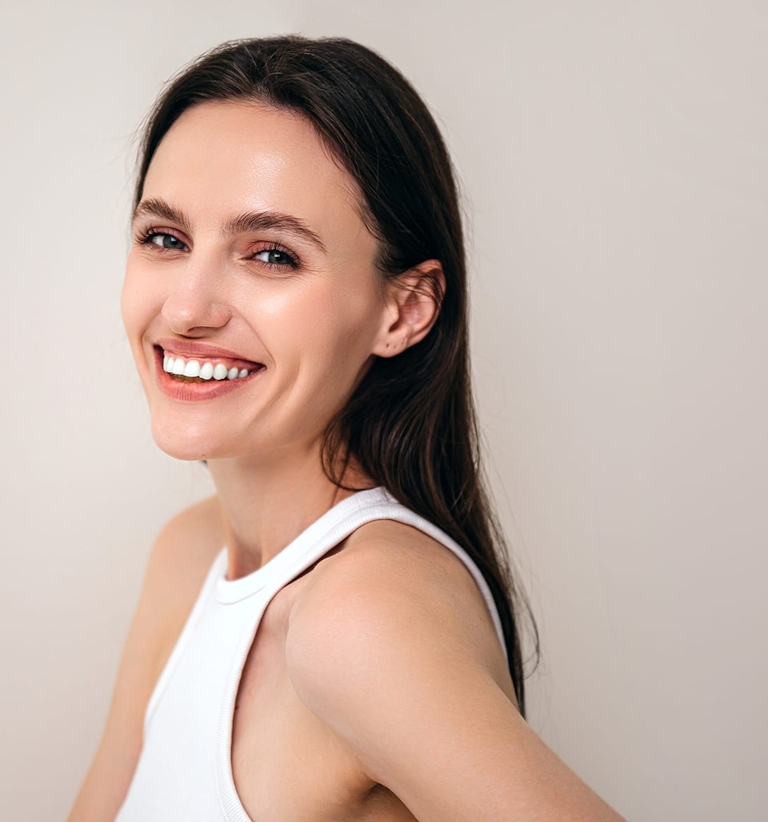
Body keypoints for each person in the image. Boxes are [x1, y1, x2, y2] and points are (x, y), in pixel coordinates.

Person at [69, 35, 625, 822]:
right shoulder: (188, 554)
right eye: (166, 239)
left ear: (403, 310)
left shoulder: (358, 617)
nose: (187, 309)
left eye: (271, 254)